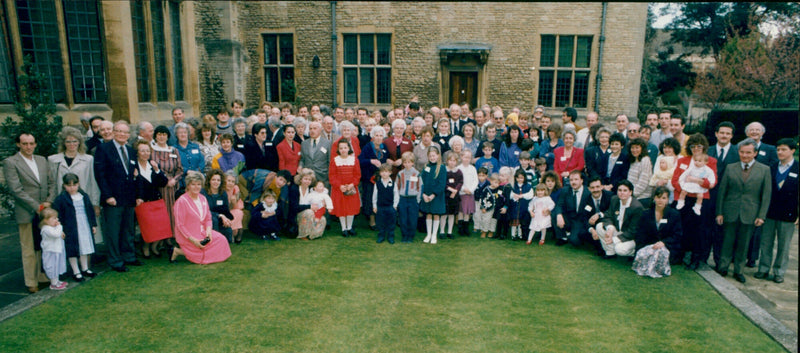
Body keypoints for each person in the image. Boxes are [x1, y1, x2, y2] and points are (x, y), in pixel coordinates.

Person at [4, 132, 57, 292]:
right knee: (28, 248)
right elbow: (16, 189)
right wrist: (37, 206)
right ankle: (31, 281)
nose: (29, 147)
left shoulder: (41, 160)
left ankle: (42, 275)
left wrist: (48, 201)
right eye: (25, 143)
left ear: (35, 144)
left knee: (44, 245)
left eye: (31, 143)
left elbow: (51, 182)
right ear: (18, 144)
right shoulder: (11, 162)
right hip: (27, 211)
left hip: (45, 211)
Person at [715, 139, 771, 283]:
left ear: (755, 153)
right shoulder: (730, 167)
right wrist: (719, 212)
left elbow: (766, 196)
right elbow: (722, 192)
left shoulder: (764, 170)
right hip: (730, 211)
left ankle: (739, 270)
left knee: (744, 243)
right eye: (742, 152)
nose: (745, 155)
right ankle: (723, 267)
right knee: (727, 241)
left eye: (748, 152)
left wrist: (761, 216)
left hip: (750, 213)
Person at [94, 122, 140, 273]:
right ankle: (115, 260)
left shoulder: (131, 150)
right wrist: (107, 196)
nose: (122, 134)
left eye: (125, 132)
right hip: (113, 198)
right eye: (119, 131)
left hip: (129, 197)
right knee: (113, 231)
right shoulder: (103, 149)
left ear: (128, 135)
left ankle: (129, 256)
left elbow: (135, 174)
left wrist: (138, 196)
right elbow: (100, 175)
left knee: (128, 229)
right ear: (114, 132)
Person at [671, 133, 718, 270]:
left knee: (698, 229)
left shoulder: (711, 161)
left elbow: (711, 183)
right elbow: (675, 180)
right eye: (692, 146)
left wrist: (697, 181)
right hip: (683, 197)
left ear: (704, 147)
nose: (696, 148)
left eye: (699, 146)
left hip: (700, 199)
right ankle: (679, 255)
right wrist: (686, 189)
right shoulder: (682, 161)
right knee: (681, 227)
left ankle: (695, 259)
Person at [755, 138, 798, 284]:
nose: (780, 152)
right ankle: (763, 269)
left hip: (789, 214)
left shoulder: (798, 168)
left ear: (792, 150)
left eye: (784, 149)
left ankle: (779, 272)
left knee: (784, 245)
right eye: (778, 149)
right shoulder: (771, 167)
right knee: (766, 242)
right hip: (770, 212)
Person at [170, 171, 232, 264]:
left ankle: (195, 251)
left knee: (221, 240)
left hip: (202, 231)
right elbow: (180, 225)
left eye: (198, 184)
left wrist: (208, 233)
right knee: (200, 253)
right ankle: (177, 251)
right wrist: (193, 240)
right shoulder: (181, 202)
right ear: (188, 186)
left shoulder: (203, 198)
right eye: (193, 184)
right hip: (188, 235)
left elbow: (208, 218)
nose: (196, 187)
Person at [52, 173, 97, 282]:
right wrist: (60, 228)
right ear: (64, 185)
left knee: (84, 246)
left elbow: (90, 211)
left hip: (84, 224)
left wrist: (93, 224)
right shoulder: (61, 199)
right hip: (71, 227)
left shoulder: (83, 196)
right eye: (69, 185)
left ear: (78, 184)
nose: (72, 188)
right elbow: (58, 214)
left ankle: (85, 268)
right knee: (72, 248)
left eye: (74, 185)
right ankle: (76, 271)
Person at [49, 127, 101, 215]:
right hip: (62, 202)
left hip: (83, 200)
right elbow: (52, 183)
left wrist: (95, 203)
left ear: (79, 142)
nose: (71, 144)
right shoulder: (53, 160)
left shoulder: (88, 159)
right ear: (63, 143)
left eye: (74, 141)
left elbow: (93, 182)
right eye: (68, 141)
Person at [633, 186, 682, 277]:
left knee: (660, 254)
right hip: (649, 246)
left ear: (667, 200)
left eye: (664, 198)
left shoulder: (674, 215)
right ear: (654, 198)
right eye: (658, 197)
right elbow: (640, 233)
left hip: (667, 247)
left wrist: (664, 243)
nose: (660, 200)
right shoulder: (646, 214)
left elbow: (677, 235)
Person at [133, 140, 169, 258]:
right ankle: (146, 247)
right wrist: (134, 177)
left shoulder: (153, 164)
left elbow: (163, 183)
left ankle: (155, 246)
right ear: (137, 152)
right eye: (142, 150)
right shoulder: (133, 166)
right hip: (143, 202)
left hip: (156, 201)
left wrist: (157, 170)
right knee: (147, 228)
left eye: (147, 150)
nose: (145, 153)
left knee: (161, 227)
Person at [591, 180, 644, 259]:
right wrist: (610, 228)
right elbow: (608, 216)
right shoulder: (614, 199)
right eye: (620, 190)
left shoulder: (636, 207)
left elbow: (633, 231)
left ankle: (633, 252)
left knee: (619, 249)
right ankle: (610, 252)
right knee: (599, 226)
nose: (622, 193)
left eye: (625, 190)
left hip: (631, 237)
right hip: (618, 230)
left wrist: (614, 239)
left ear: (630, 192)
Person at [150, 125, 184, 228]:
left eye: (164, 134)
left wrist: (174, 179)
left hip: (173, 186)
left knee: (174, 210)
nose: (161, 137)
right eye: (159, 134)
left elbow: (180, 169)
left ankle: (174, 234)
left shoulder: (174, 151)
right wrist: (164, 180)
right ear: (155, 136)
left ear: (167, 137)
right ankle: (164, 236)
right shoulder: (152, 151)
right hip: (159, 186)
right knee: (162, 211)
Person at [329, 139, 362, 237]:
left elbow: (357, 175)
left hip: (351, 188)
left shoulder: (354, 160)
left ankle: (350, 227)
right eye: (341, 148)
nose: (343, 150)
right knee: (341, 208)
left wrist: (352, 184)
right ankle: (344, 228)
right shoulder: (334, 160)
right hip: (339, 189)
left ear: (349, 148)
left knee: (350, 208)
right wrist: (340, 186)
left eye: (345, 148)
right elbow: (332, 176)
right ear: (338, 149)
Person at [359, 126, 388, 229]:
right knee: (370, 198)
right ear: (373, 136)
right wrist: (371, 161)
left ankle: (380, 219)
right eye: (377, 135)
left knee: (380, 198)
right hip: (369, 178)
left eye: (381, 135)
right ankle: (372, 220)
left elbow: (385, 161)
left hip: (381, 177)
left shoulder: (384, 147)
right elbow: (360, 161)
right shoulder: (367, 147)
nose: (379, 138)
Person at [554, 171, 592, 247]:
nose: (573, 182)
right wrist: (559, 215)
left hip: (581, 220)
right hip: (569, 218)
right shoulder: (565, 190)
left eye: (576, 179)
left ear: (581, 180)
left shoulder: (588, 192)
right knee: (554, 214)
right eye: (571, 180)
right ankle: (562, 237)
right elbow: (559, 205)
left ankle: (578, 235)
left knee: (575, 241)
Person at [420, 146, 447, 244]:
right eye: (430, 156)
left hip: (436, 196)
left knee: (436, 214)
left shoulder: (442, 168)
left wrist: (433, 195)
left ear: (438, 156)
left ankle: (434, 235)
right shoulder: (426, 166)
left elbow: (442, 184)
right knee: (428, 214)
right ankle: (428, 234)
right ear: (428, 156)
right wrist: (423, 194)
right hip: (426, 195)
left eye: (434, 155)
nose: (432, 157)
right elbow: (421, 181)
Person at [295, 170, 331, 240]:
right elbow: (294, 207)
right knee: (309, 212)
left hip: (310, 212)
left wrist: (323, 204)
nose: (307, 181)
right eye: (305, 179)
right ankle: (303, 234)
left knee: (322, 219)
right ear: (301, 179)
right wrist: (310, 207)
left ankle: (312, 235)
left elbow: (317, 202)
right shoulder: (295, 189)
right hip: (297, 214)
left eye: (309, 180)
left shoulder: (312, 191)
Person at [38, 208, 68, 290]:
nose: (57, 220)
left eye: (56, 218)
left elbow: (58, 234)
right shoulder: (46, 229)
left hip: (56, 250)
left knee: (57, 266)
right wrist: (59, 226)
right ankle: (54, 283)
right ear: (46, 220)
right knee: (52, 266)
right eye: (54, 218)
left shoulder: (52, 227)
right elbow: (55, 234)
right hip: (51, 251)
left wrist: (60, 231)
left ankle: (57, 281)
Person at [395, 152, 422, 243]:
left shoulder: (416, 173)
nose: (407, 164)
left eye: (409, 162)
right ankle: (404, 235)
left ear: (413, 162)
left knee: (412, 218)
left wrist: (418, 200)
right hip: (402, 198)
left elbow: (420, 187)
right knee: (403, 218)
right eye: (405, 162)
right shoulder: (400, 174)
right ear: (403, 163)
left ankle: (411, 235)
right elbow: (397, 187)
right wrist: (397, 199)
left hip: (413, 199)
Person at [203, 169, 234, 243]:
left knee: (228, 230)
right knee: (214, 220)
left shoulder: (223, 193)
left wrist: (227, 219)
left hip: (220, 218)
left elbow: (226, 209)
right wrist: (219, 215)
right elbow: (204, 210)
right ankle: (213, 242)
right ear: (209, 181)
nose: (216, 182)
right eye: (213, 179)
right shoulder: (203, 193)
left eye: (218, 180)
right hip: (207, 218)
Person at [299, 121, 332, 186]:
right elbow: (302, 159)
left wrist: (328, 175)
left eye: (314, 128)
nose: (312, 131)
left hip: (322, 177)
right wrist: (300, 166)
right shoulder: (304, 143)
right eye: (310, 129)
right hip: (308, 178)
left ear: (320, 129)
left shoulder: (327, 143)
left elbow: (330, 161)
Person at [440, 151, 463, 239]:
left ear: (456, 162)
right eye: (450, 160)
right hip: (445, 195)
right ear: (447, 161)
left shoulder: (458, 171)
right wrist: (450, 190)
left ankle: (449, 231)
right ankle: (442, 231)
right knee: (444, 214)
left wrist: (455, 191)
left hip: (455, 196)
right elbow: (443, 182)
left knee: (452, 214)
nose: (452, 162)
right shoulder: (444, 170)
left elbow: (460, 182)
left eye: (454, 161)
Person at [372, 163, 398, 244]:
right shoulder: (377, 184)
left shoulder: (393, 183)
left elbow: (396, 195)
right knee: (381, 223)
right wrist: (374, 206)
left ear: (390, 172)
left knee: (391, 223)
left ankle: (390, 236)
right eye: (382, 171)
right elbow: (374, 196)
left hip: (390, 207)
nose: (384, 173)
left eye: (386, 171)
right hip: (380, 207)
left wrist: (395, 205)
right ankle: (381, 236)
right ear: (380, 173)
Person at [508, 169, 533, 241]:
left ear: (524, 178)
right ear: (516, 178)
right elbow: (510, 194)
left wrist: (522, 196)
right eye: (518, 178)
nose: (520, 179)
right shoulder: (513, 186)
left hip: (523, 207)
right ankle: (513, 235)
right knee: (515, 222)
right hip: (515, 208)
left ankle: (520, 235)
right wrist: (514, 195)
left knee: (521, 223)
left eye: (521, 178)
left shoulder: (528, 186)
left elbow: (530, 195)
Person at [457, 150, 478, 236]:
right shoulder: (458, 168)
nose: (467, 159)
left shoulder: (472, 168)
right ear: (461, 157)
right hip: (461, 193)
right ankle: (460, 228)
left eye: (469, 158)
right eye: (465, 157)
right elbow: (457, 181)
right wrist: (463, 189)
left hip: (470, 193)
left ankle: (466, 228)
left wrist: (471, 189)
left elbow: (475, 181)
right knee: (461, 211)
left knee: (467, 211)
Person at [626, 138, 653, 202]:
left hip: (642, 197)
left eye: (637, 147)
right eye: (632, 148)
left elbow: (643, 182)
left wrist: (631, 194)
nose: (634, 150)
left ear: (642, 149)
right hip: (631, 196)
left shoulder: (645, 160)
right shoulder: (634, 160)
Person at [475, 172, 499, 238]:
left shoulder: (498, 189)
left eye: (498, 183)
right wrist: (482, 207)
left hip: (496, 208)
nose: (496, 184)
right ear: (491, 181)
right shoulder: (486, 189)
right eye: (495, 182)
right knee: (486, 219)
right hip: (487, 208)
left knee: (493, 220)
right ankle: (484, 231)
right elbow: (482, 199)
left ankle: (491, 231)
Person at [223, 172, 245, 243]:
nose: (230, 183)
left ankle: (236, 233)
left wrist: (234, 202)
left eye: (233, 181)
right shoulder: (221, 189)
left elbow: (237, 207)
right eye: (228, 181)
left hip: (231, 210)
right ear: (224, 180)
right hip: (222, 212)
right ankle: (233, 233)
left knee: (239, 212)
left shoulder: (235, 188)